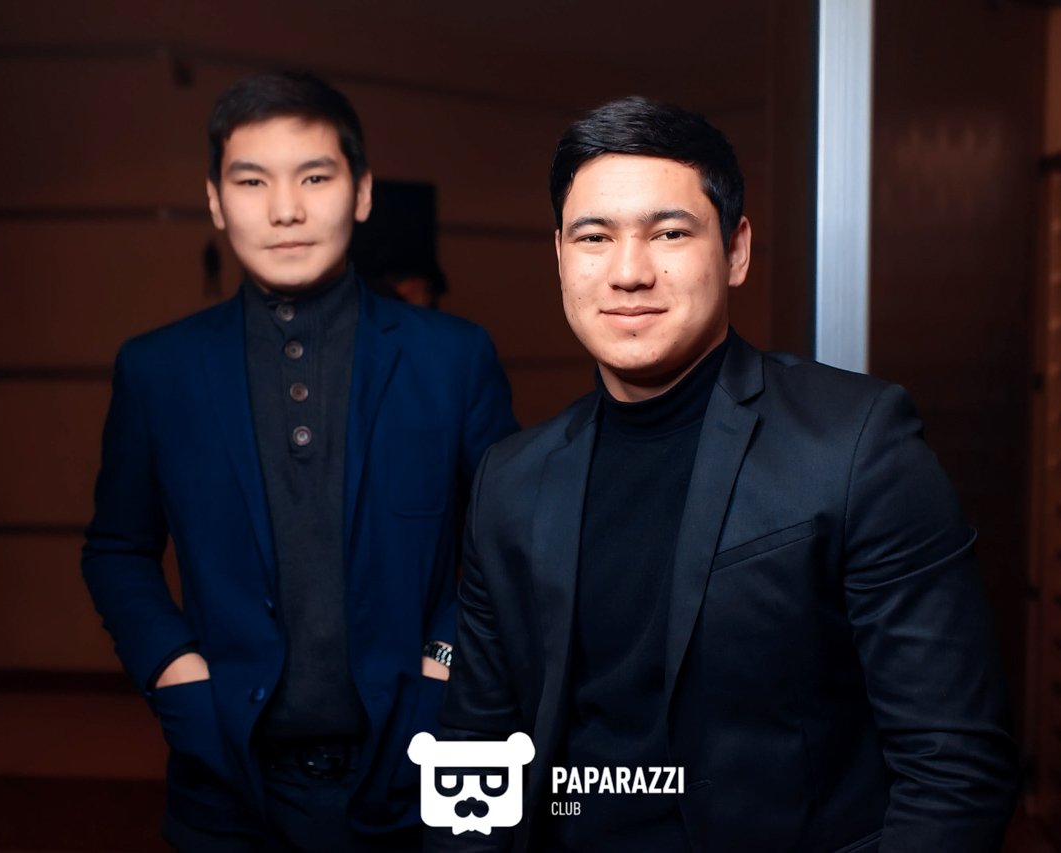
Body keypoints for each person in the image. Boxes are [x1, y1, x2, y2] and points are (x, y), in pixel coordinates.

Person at [436, 97, 1018, 852]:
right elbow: (475, 747)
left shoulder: (855, 443)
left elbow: (954, 766)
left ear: (736, 250)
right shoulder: (510, 481)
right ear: (559, 256)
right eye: (594, 237)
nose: (628, 272)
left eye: (669, 233)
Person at [81, 71, 517, 851]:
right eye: (251, 181)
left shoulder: (451, 358)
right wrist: (175, 670)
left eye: (315, 177)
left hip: (421, 769)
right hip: (226, 779)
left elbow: (507, 545)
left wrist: (444, 662)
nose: (285, 209)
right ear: (215, 201)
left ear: (361, 192)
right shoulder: (158, 370)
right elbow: (117, 548)